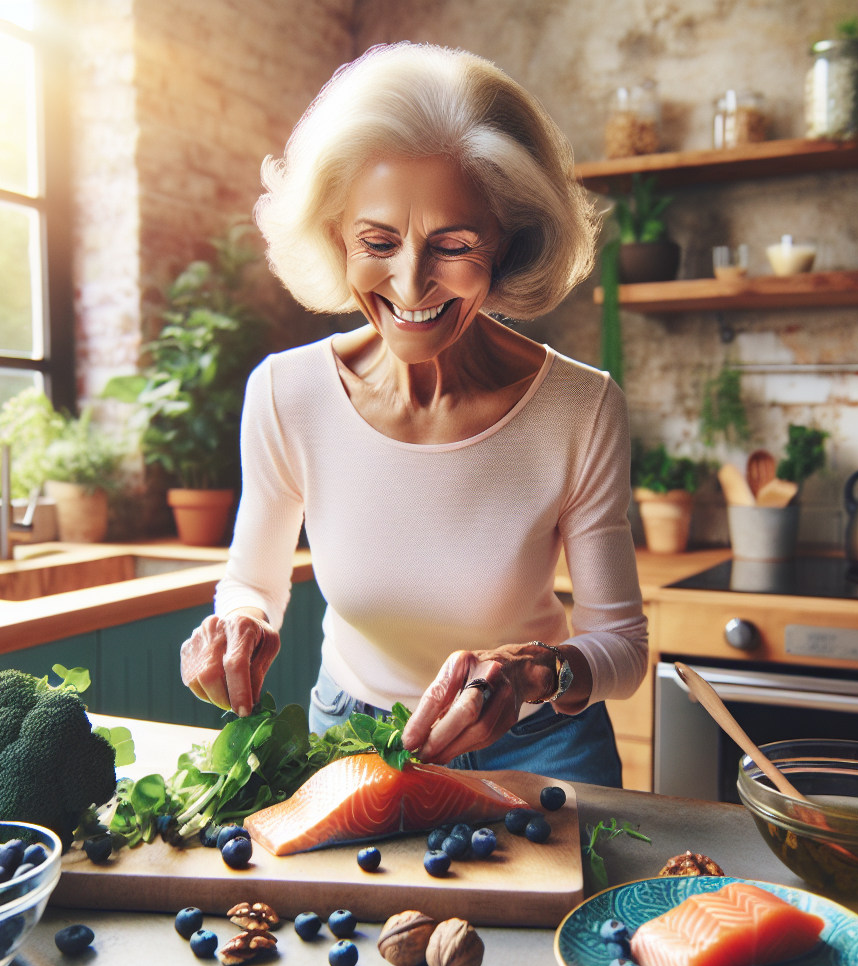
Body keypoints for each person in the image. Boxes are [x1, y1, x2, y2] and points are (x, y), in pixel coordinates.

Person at [179, 42, 646, 786]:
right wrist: (237, 627)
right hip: (351, 735)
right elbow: (252, 585)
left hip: (542, 746)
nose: (410, 281)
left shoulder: (579, 408)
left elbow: (619, 645)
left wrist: (533, 675)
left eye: (453, 244)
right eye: (378, 242)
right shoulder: (285, 393)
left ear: (509, 242)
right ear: (338, 237)